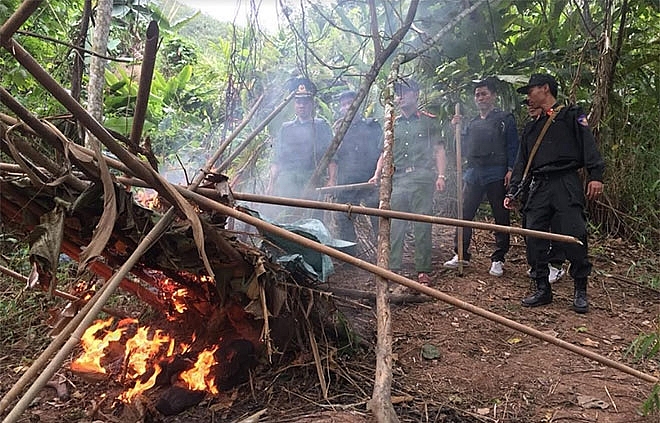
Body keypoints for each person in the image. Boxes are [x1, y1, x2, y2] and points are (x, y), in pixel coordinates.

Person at [504, 73, 605, 313]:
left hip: (565, 182)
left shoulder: (573, 115)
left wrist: (596, 176)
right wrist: (513, 190)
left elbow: (588, 144)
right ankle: (542, 288)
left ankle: (580, 289)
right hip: (539, 186)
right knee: (533, 235)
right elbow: (522, 162)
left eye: (531, 91)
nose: (528, 98)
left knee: (574, 234)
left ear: (545, 89)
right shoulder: (531, 127)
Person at [368, 78, 447, 285]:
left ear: (416, 94)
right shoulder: (392, 123)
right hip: (398, 178)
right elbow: (385, 152)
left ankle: (423, 270)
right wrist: (377, 174)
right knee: (396, 225)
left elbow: (439, 149)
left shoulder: (428, 121)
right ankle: (394, 268)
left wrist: (441, 175)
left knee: (422, 224)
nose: (400, 96)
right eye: (398, 93)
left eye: (405, 92)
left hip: (422, 177)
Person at [443, 77, 519, 277]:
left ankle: (498, 258)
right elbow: (460, 148)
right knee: (464, 212)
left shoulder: (505, 118)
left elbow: (513, 146)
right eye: (477, 95)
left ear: (493, 96)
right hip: (474, 172)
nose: (480, 98)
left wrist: (511, 169)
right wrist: (455, 129)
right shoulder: (472, 123)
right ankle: (460, 254)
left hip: (497, 171)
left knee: (500, 216)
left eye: (484, 94)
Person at [267, 77, 335, 206]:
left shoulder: (322, 126)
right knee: (284, 217)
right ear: (294, 104)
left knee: (312, 217)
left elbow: (331, 155)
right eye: (298, 102)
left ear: (312, 103)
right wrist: (271, 184)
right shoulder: (286, 128)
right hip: (287, 182)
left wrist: (331, 179)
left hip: (312, 179)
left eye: (305, 101)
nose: (301, 105)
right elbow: (277, 159)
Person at [522, 99, 565, 283]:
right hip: (534, 182)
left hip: (558, 181)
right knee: (531, 224)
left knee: (557, 223)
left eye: (534, 103)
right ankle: (538, 265)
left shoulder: (562, 121)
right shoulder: (530, 128)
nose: (530, 107)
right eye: (528, 104)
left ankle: (555, 264)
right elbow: (522, 160)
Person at [330, 90, 383, 243]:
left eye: (350, 103)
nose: (347, 107)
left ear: (358, 105)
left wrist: (378, 174)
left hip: (370, 180)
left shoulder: (372, 126)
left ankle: (382, 254)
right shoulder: (339, 129)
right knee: (344, 218)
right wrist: (333, 179)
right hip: (346, 182)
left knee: (378, 218)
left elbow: (383, 151)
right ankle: (349, 257)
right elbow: (333, 157)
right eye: (343, 105)